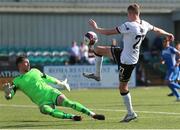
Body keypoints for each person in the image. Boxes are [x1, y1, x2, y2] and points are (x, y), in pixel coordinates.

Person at [82, 3, 174, 122]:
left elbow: (109, 32)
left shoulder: (129, 25)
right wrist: (168, 34)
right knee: (98, 49)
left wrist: (96, 28)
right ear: (138, 13)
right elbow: (157, 30)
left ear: (130, 13)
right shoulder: (145, 24)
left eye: (128, 14)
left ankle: (131, 113)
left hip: (127, 62)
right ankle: (97, 75)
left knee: (123, 87)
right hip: (124, 53)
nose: (127, 16)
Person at [3, 56, 105, 121]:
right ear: (20, 65)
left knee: (68, 102)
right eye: (26, 62)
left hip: (50, 92)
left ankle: (93, 114)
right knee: (49, 111)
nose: (28, 64)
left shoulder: (35, 71)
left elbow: (48, 78)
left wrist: (61, 83)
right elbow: (10, 95)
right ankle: (72, 117)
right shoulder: (16, 81)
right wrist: (8, 94)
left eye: (29, 62)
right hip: (42, 102)